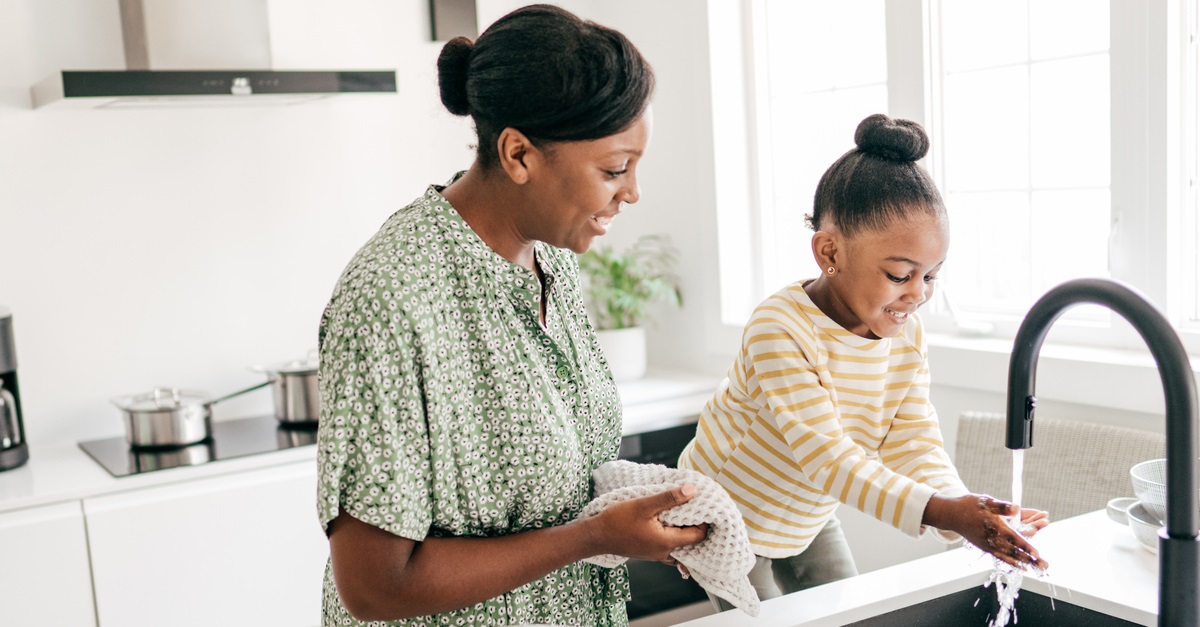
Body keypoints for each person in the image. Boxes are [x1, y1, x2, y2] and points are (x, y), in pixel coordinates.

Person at [315, 5, 706, 626]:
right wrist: (596, 537)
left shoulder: (553, 258)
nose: (632, 192)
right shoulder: (393, 298)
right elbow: (374, 587)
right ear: (519, 154)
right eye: (613, 168)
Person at [677, 113, 1050, 610]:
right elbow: (829, 458)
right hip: (727, 514)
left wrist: (968, 510)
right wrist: (947, 512)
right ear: (829, 251)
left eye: (932, 276)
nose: (918, 295)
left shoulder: (906, 335)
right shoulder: (781, 327)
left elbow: (913, 440)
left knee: (850, 614)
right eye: (900, 275)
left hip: (807, 510)